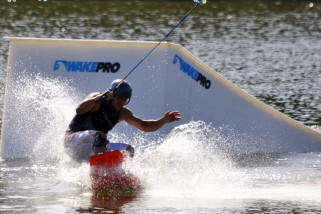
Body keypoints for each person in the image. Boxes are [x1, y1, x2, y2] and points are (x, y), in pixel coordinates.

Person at [64, 79, 181, 161]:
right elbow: (79, 109)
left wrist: (164, 120)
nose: (122, 101)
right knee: (100, 135)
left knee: (129, 149)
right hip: (72, 142)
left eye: (125, 99)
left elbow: (145, 126)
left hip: (91, 147)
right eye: (119, 97)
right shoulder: (97, 100)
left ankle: (119, 175)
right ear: (112, 94)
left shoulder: (123, 113)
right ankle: (100, 168)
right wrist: (100, 98)